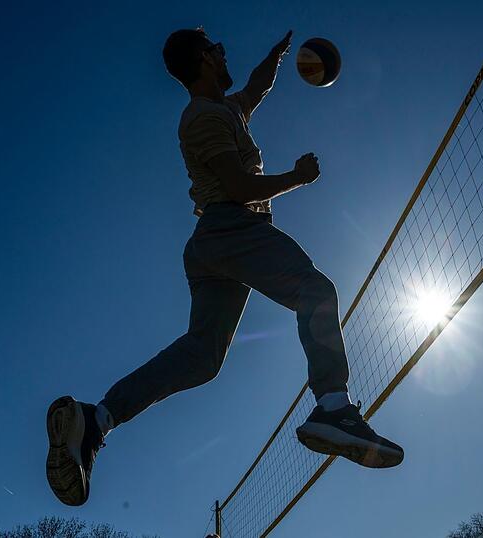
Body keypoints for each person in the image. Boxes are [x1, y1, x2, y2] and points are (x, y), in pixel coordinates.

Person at [45, 28, 403, 508]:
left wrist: (276, 58)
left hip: (215, 245)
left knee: (202, 357)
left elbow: (254, 89)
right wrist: (298, 178)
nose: (224, 49)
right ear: (204, 59)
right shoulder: (203, 118)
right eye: (216, 47)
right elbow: (237, 188)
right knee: (315, 291)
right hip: (231, 226)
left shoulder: (227, 109)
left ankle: (98, 419)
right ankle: (333, 408)